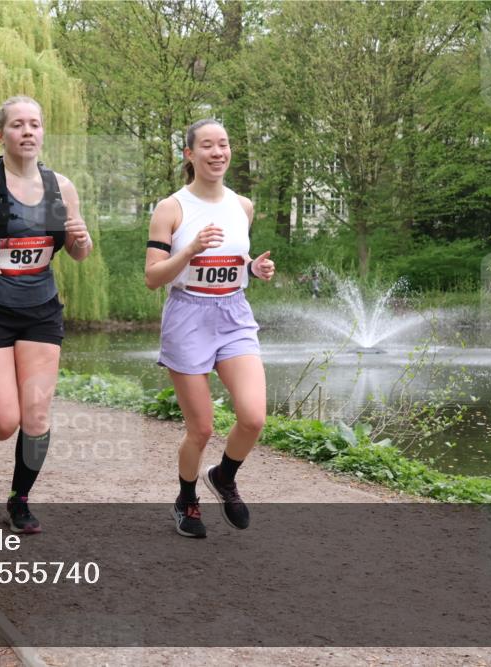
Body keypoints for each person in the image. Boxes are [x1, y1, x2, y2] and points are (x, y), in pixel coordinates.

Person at [0, 96, 92, 534]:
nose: (28, 132)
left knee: (37, 414)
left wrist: (81, 240)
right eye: (18, 125)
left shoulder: (60, 187)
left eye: (35, 125)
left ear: (43, 132)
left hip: (40, 308)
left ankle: (19, 500)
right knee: (5, 419)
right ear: (1, 135)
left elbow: (78, 252)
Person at [144, 119, 276, 539]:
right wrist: (190, 250)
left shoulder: (243, 205)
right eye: (207, 146)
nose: (217, 152)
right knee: (200, 428)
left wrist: (254, 269)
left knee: (253, 417)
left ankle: (223, 476)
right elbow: (152, 277)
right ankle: (186, 498)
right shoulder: (171, 208)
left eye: (223, 144)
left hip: (233, 314)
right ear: (190, 154)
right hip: (188, 317)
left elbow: (235, 261)